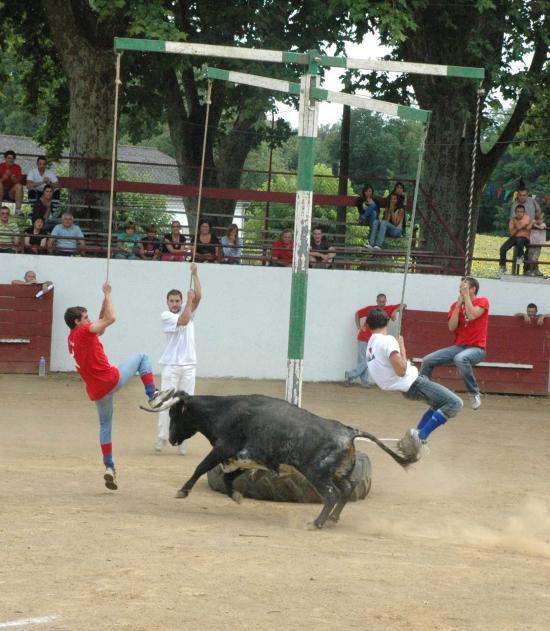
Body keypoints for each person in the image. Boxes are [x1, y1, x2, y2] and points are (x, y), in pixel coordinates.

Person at [65, 282, 175, 490]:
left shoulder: (73, 336)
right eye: (85, 318)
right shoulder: (83, 332)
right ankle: (153, 395)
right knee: (142, 357)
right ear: (78, 322)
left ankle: (109, 466)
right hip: (110, 379)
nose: (89, 320)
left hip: (97, 391)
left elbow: (100, 325)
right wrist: (109, 294)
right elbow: (111, 319)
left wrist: (103, 299)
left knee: (105, 426)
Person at [366, 308, 463, 461]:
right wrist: (402, 347)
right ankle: (420, 437)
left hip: (407, 387)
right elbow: (402, 370)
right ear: (387, 322)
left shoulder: (371, 342)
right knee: (454, 403)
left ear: (367, 326)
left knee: (439, 402)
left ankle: (415, 437)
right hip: (414, 383)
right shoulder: (387, 341)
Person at [420, 276, 489, 410]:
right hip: (459, 347)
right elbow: (452, 327)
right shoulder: (455, 305)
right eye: (460, 288)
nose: (461, 290)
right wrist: (458, 306)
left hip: (477, 349)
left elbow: (473, 315)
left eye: (464, 288)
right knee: (427, 360)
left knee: (460, 359)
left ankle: (474, 393)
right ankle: (425, 391)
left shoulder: (483, 301)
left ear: (473, 289)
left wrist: (466, 298)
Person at [155, 263, 202, 454]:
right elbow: (183, 321)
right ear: (167, 303)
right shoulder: (166, 315)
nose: (175, 304)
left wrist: (195, 274)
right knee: (167, 402)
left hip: (189, 365)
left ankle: (182, 439)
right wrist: (189, 302)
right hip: (171, 365)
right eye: (172, 301)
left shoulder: (187, 308)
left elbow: (199, 297)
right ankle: (162, 436)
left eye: (177, 301)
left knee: (187, 404)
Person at [345, 293, 403, 386]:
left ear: (386, 301)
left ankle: (350, 374)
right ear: (377, 302)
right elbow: (358, 314)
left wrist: (395, 311)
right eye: (380, 302)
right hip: (363, 338)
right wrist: (359, 327)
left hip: (375, 340)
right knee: (364, 360)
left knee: (370, 359)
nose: (382, 303)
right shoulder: (370, 309)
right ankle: (364, 381)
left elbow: (403, 305)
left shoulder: (389, 309)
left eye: (383, 302)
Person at [499, 204, 531, 275]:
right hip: (515, 237)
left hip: (525, 237)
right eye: (518, 212)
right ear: (515, 212)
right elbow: (513, 233)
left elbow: (519, 227)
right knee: (503, 249)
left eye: (521, 212)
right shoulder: (512, 220)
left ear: (524, 212)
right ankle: (502, 267)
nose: (519, 213)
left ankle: (520, 256)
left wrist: (515, 222)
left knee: (520, 241)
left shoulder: (526, 217)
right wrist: (517, 227)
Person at [0, 150, 23, 215]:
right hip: (1, 191)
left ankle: (17, 211)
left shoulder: (17, 167)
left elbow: (19, 182)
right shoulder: (1, 166)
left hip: (11, 193)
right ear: (5, 158)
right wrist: (3, 178)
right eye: (9, 158)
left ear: (14, 159)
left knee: (19, 186)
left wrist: (14, 179)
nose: (11, 160)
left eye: (12, 158)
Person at [526, 208, 546, 277]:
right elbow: (528, 227)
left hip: (538, 244)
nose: (538, 221)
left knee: (535, 258)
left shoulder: (543, 224)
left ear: (543, 220)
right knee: (530, 257)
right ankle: (533, 270)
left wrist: (534, 225)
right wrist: (532, 223)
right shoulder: (532, 224)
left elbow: (541, 228)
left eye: (540, 219)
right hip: (532, 243)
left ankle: (535, 270)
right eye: (537, 219)